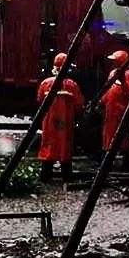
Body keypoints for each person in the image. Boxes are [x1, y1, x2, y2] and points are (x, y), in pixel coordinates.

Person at [37, 53, 85, 182]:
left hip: (49, 122)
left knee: (49, 145)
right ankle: (66, 176)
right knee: (65, 146)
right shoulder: (72, 85)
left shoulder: (45, 83)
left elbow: (40, 100)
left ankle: (45, 176)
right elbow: (79, 104)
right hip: (66, 121)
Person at [100, 49, 129, 172]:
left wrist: (122, 80)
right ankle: (108, 165)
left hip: (121, 111)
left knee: (123, 137)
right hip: (110, 110)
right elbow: (108, 89)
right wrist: (102, 101)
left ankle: (126, 165)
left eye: (115, 61)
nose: (113, 63)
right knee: (108, 136)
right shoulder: (112, 73)